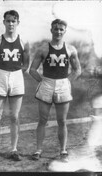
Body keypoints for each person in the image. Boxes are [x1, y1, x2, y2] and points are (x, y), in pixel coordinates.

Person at [29, 19, 81, 162]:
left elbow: (77, 70)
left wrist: (67, 82)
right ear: (51, 30)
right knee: (42, 120)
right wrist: (43, 81)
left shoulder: (71, 49)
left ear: (65, 31)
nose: (58, 31)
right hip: (47, 83)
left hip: (63, 84)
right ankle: (38, 150)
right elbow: (32, 69)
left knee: (62, 121)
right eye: (56, 29)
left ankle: (63, 150)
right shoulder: (43, 49)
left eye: (61, 29)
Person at [0, 10, 29, 161]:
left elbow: (26, 63)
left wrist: (17, 75)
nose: (11, 24)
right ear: (4, 22)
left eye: (13, 21)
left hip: (16, 76)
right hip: (0, 75)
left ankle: (13, 149)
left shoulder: (24, 42)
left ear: (18, 23)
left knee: (14, 116)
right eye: (8, 21)